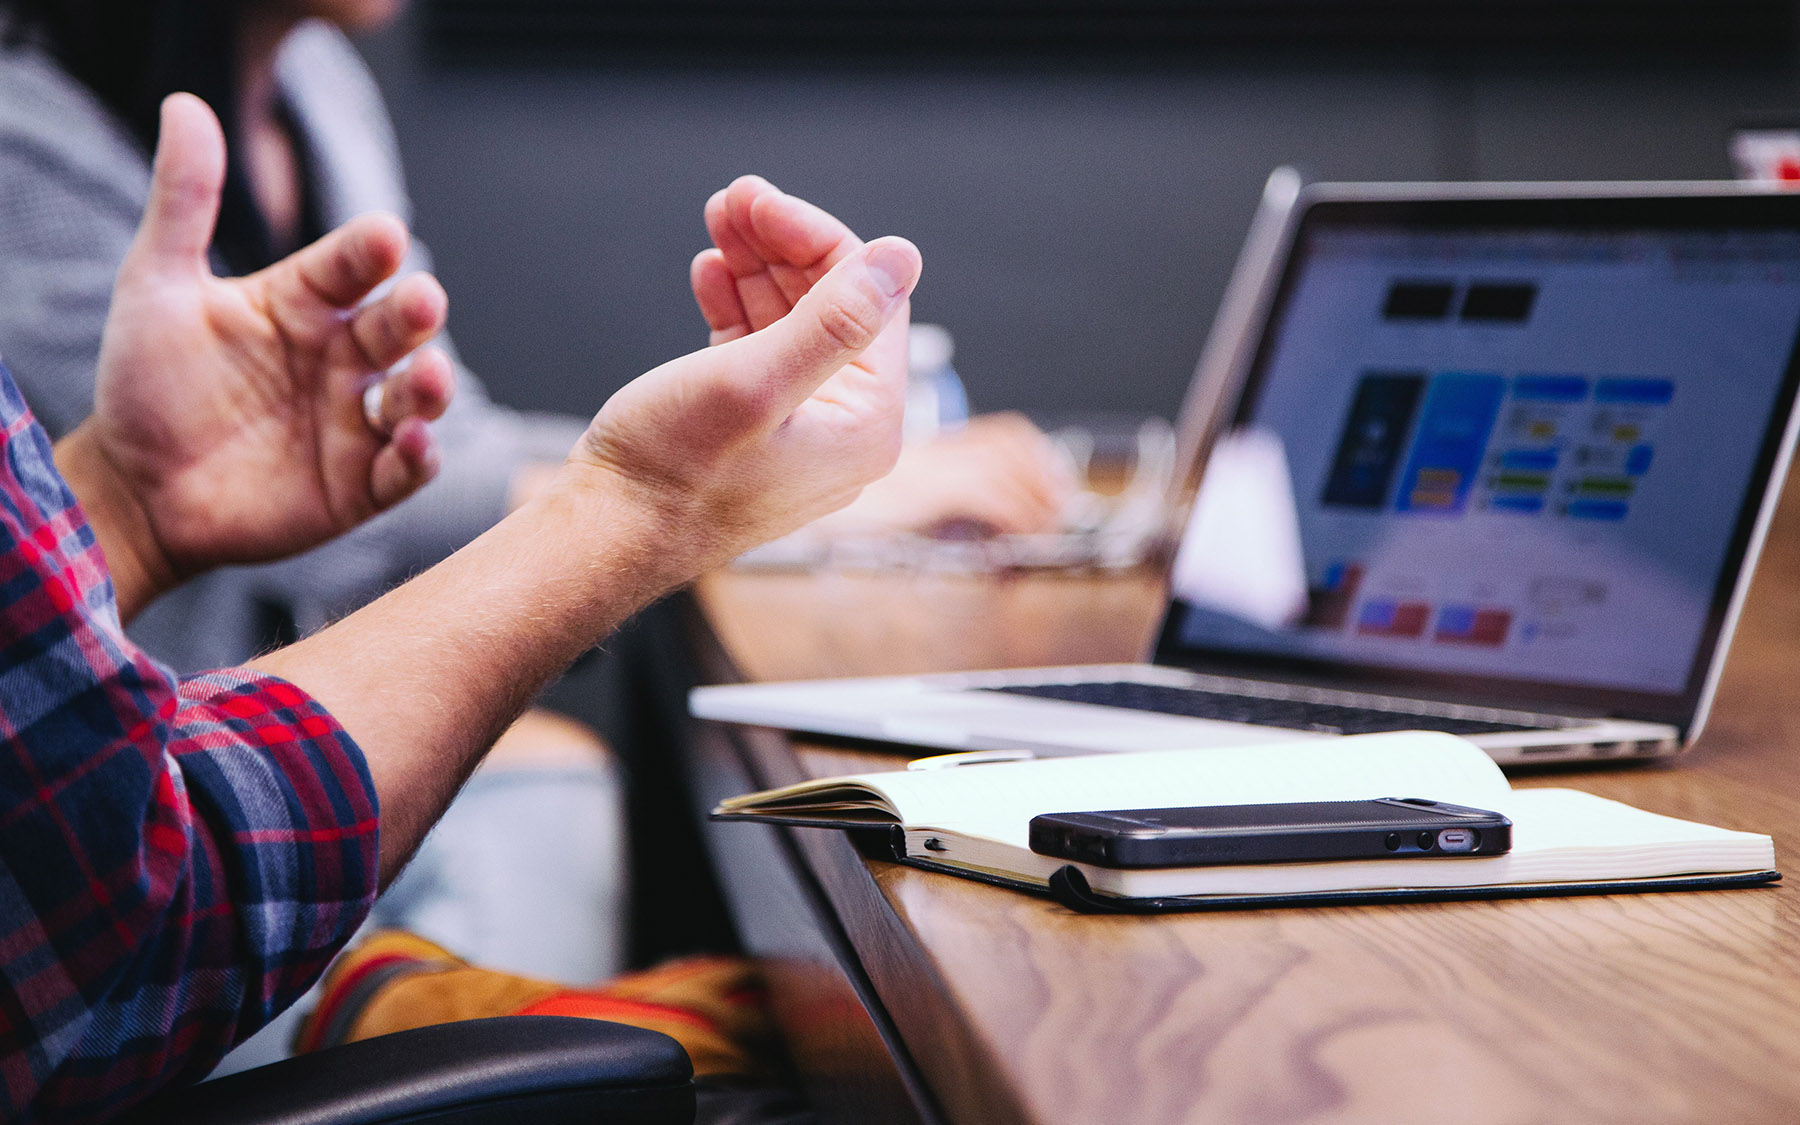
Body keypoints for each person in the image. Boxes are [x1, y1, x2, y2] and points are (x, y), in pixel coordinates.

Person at [0, 88, 922, 1121]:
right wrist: (638, 508)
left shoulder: (317, 86)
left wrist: (123, 512)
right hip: (144, 990)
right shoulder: (23, 139)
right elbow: (123, 907)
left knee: (564, 783)